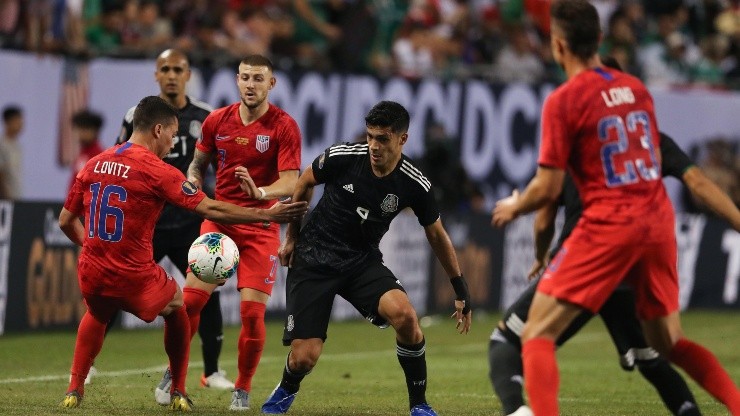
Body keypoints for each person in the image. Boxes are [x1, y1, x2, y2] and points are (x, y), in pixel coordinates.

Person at [491, 2, 740, 415]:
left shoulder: (563, 101)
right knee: (670, 342)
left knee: (535, 333)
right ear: (600, 40)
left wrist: (516, 205)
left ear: (557, 46)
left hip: (609, 224)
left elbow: (547, 187)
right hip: (658, 222)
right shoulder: (635, 89)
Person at [58, 95, 308, 411]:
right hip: (133, 274)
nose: (174, 141)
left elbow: (65, 220)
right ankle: (177, 388)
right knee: (178, 306)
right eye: (174, 134)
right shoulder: (156, 170)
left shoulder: (95, 162)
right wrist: (266, 216)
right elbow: (212, 206)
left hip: (92, 271)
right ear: (159, 130)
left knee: (96, 313)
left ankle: (73, 389)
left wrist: (93, 248)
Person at [489, 129, 740, 416]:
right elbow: (698, 182)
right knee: (659, 354)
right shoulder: (648, 137)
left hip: (584, 260)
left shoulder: (575, 141)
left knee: (515, 339)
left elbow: (545, 205)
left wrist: (525, 223)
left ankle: (516, 410)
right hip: (631, 265)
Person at [259, 100, 473, 416]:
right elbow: (304, 181)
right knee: (305, 357)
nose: (373, 145)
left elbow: (437, 234)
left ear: (403, 139)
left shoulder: (415, 183)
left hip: (361, 261)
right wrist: (292, 236)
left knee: (406, 316)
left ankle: (420, 405)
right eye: (370, 136)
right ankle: (286, 389)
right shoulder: (342, 157)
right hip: (315, 257)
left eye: (383, 138)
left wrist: (460, 287)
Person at [152, 54, 303, 411]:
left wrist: (260, 193)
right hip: (219, 223)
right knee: (190, 303)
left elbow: (291, 181)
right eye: (245, 78)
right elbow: (198, 163)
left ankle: (243, 387)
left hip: (262, 225)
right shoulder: (217, 120)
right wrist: (191, 181)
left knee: (252, 314)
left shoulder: (283, 126)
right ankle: (175, 374)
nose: (251, 84)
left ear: (271, 84)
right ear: (237, 80)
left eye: (258, 79)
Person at [116, 49, 236, 397]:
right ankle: (89, 363)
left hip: (190, 223)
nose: (171, 75)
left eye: (177, 69)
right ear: (156, 75)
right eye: (164, 69)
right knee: (117, 284)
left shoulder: (207, 117)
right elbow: (120, 158)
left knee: (207, 291)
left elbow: (221, 167)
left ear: (188, 74)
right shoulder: (135, 116)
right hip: (148, 224)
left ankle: (211, 371)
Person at [69, 109, 104, 194]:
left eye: (84, 129)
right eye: (77, 129)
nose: (79, 133)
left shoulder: (99, 156)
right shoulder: (82, 153)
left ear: (95, 131)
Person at [0, 105, 23, 200]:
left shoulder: (17, 146)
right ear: (8, 122)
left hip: (16, 197)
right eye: (17, 120)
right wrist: (6, 196)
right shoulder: (2, 144)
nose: (21, 124)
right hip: (5, 199)